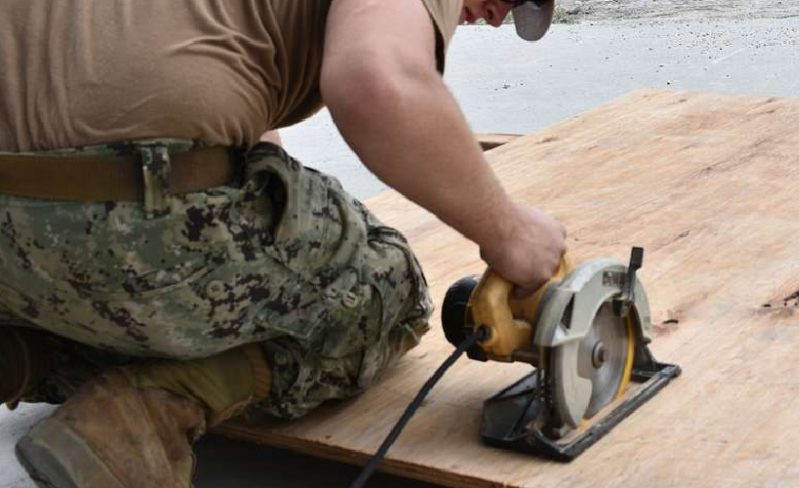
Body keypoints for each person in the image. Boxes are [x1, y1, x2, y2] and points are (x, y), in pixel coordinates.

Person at [0, 0, 566, 486]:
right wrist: (509, 234)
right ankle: (140, 420)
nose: (499, 16)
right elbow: (375, 80)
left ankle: (22, 352)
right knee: (384, 290)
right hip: (126, 211)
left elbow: (234, 124)